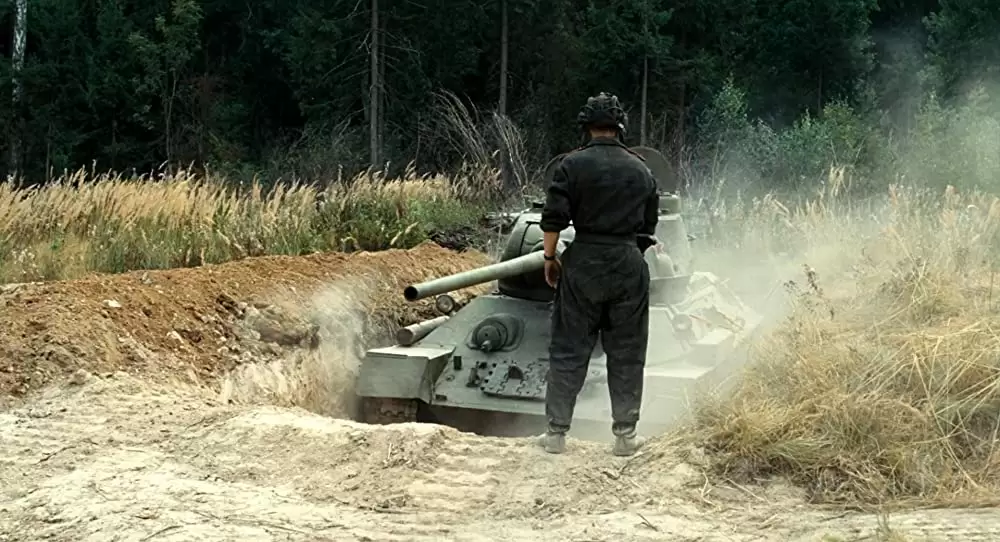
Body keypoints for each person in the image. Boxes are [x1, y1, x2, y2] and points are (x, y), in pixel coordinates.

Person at [537, 92, 659, 457]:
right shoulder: (641, 168)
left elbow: (553, 220)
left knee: (569, 348)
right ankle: (625, 435)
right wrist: (628, 256)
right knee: (627, 352)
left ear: (586, 126)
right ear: (620, 127)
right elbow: (648, 227)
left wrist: (549, 258)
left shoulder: (571, 165)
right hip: (627, 262)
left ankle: (556, 433)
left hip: (583, 262)